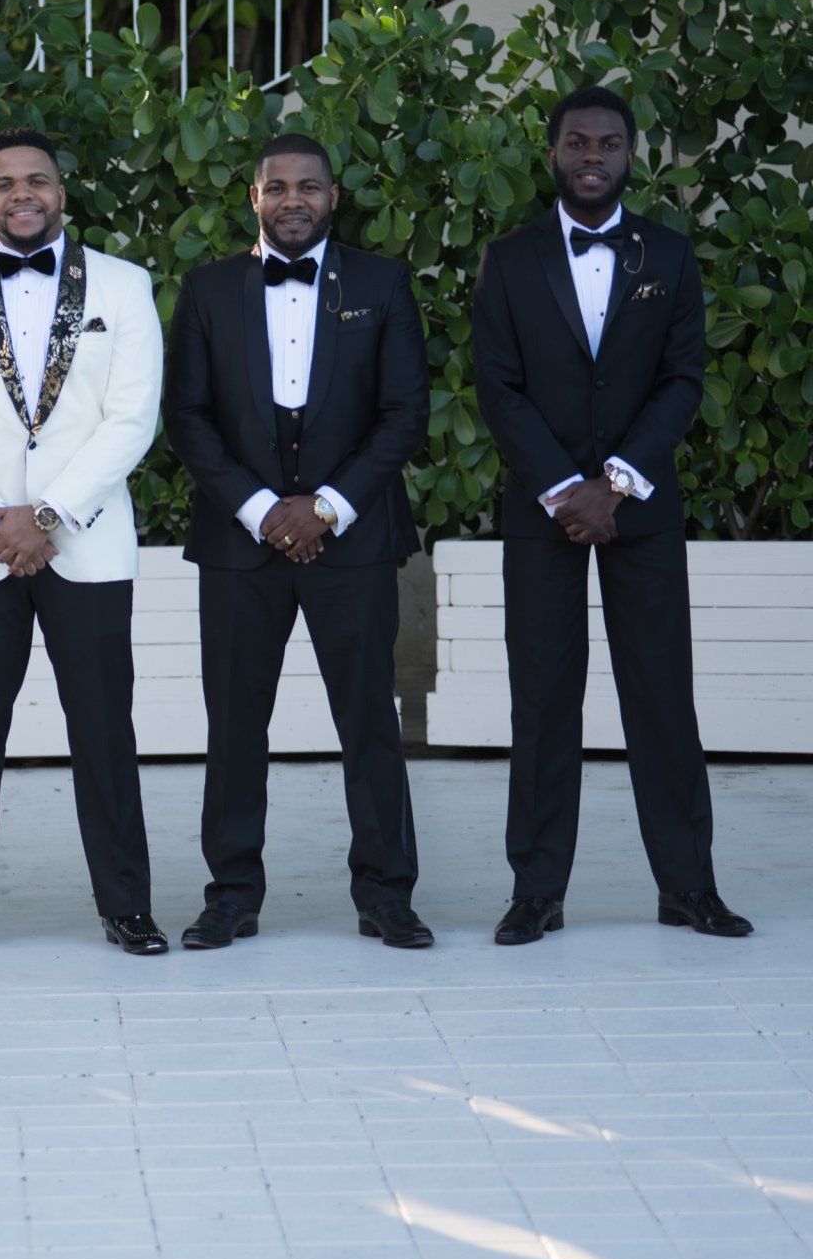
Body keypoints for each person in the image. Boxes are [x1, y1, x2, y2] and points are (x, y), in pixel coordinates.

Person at [474, 85, 751, 943]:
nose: (592, 156)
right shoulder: (510, 259)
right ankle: (537, 892)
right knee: (544, 700)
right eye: (576, 143)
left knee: (662, 698)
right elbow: (499, 387)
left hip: (641, 513)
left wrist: (617, 484)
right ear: (552, 153)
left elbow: (682, 381)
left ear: (631, 156)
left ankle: (688, 886)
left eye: (608, 144)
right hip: (543, 510)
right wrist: (566, 488)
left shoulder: (666, 256)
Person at [0, 126, 166, 957]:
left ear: (62, 192)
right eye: (5, 183)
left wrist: (47, 517)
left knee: (103, 730)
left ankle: (127, 906)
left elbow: (132, 419)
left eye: (37, 180)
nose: (23, 194)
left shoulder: (123, 287)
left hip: (85, 542)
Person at [165, 132, 431, 950]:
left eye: (308, 187)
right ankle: (232, 893)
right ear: (253, 198)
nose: (292, 200)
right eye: (275, 187)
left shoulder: (382, 285)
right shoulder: (209, 290)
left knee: (368, 723)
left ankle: (386, 893)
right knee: (235, 724)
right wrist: (260, 509)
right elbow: (188, 417)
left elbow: (404, 416)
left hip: (350, 540)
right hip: (241, 544)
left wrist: (323, 508)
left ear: (333, 197)